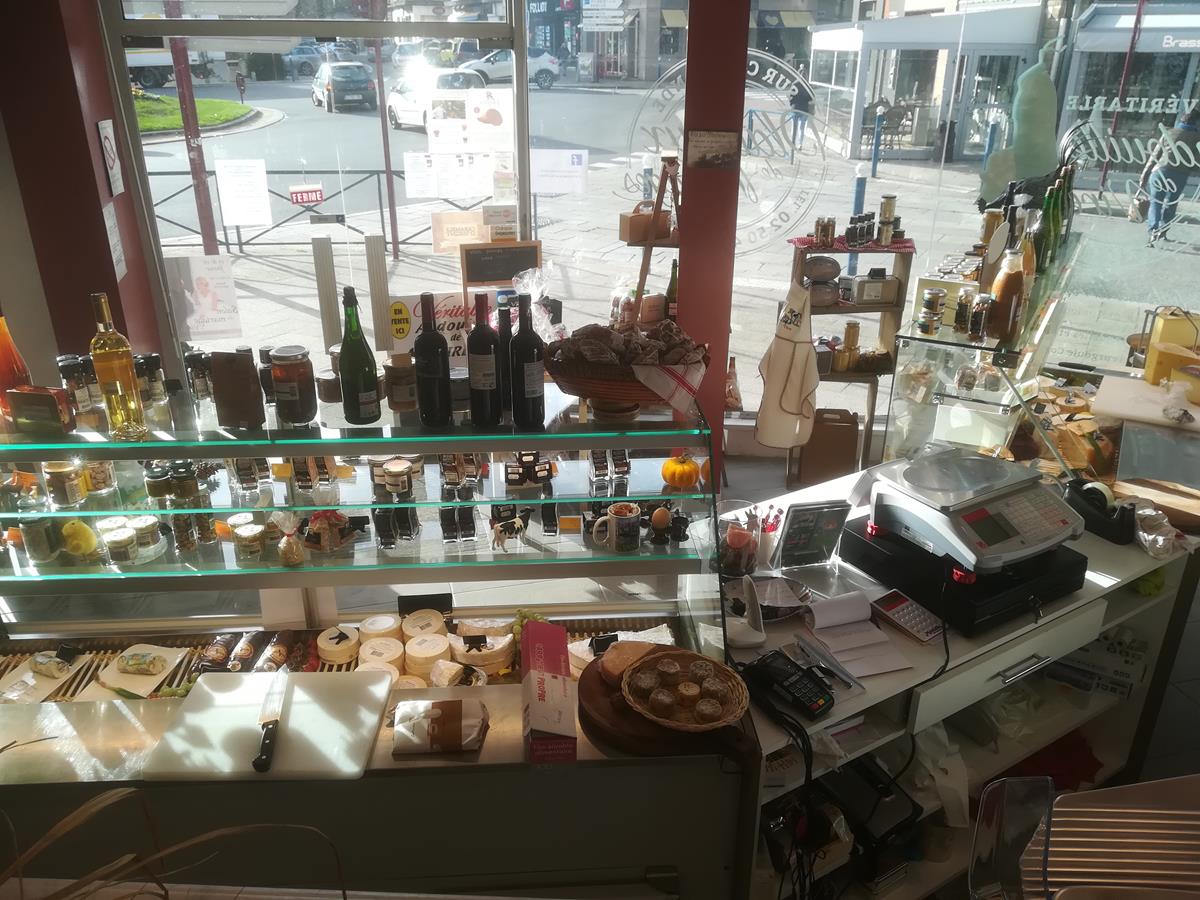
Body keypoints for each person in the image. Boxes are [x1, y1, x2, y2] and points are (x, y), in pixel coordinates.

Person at [1140, 106, 1200, 245]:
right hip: (1180, 174)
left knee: (1156, 202)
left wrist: (1144, 176)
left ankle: (1153, 231)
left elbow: (1154, 157)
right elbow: (1196, 161)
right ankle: (1163, 230)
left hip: (1160, 171)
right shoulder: (1197, 138)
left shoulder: (1168, 132)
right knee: (1171, 203)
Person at [790, 72, 812, 150]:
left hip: (795, 108)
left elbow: (791, 96)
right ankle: (800, 144)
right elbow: (810, 98)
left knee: (794, 127)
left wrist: (792, 104)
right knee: (801, 128)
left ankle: (793, 143)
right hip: (804, 109)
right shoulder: (808, 86)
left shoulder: (794, 84)